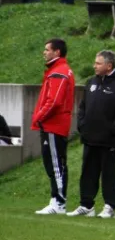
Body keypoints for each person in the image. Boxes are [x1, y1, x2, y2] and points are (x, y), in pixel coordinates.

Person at [68, 50, 115, 219]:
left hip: (110, 140)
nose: (94, 66)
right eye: (95, 63)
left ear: (109, 65)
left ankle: (110, 207)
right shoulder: (91, 82)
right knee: (88, 173)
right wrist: (82, 124)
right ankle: (86, 205)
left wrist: (113, 129)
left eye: (98, 63)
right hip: (90, 137)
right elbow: (83, 107)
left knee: (109, 174)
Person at [31, 39, 75, 215]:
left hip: (54, 125)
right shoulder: (59, 70)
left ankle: (59, 202)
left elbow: (54, 101)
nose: (44, 52)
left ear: (57, 52)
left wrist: (39, 118)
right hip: (54, 124)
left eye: (47, 49)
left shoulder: (59, 72)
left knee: (56, 165)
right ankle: (56, 200)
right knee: (55, 163)